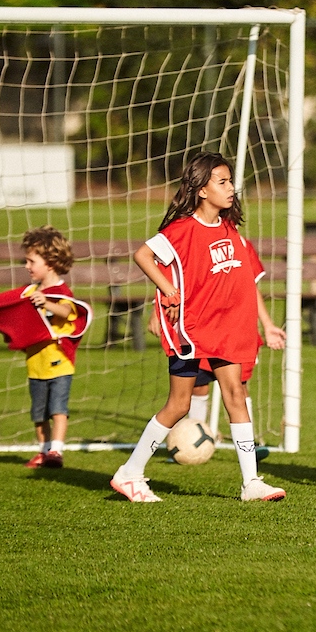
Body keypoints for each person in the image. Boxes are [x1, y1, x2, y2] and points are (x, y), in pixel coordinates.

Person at [110, 151, 286, 503]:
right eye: (222, 182)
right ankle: (130, 473)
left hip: (226, 330)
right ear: (202, 190)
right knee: (177, 405)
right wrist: (168, 291)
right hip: (191, 331)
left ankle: (251, 482)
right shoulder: (182, 230)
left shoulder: (230, 228)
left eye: (231, 181)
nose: (231, 188)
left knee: (236, 395)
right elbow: (143, 255)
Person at [0, 227, 92, 469]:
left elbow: (69, 311)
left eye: (32, 261)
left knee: (58, 410)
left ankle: (56, 451)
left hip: (60, 363)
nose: (27, 266)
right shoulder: (30, 292)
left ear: (50, 262)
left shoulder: (61, 293)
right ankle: (43, 451)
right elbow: (5, 312)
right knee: (39, 414)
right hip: (36, 366)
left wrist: (48, 303)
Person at [150, 287, 284, 460]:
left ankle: (248, 446)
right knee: (191, 392)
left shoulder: (243, 259)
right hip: (196, 326)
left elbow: (250, 285)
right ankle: (189, 441)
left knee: (238, 389)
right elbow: (167, 272)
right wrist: (157, 308)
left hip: (232, 327)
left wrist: (267, 324)